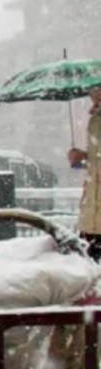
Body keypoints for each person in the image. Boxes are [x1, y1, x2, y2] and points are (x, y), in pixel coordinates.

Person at [68, 85, 101, 261]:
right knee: (86, 264)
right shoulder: (95, 118)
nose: (95, 93)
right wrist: (81, 159)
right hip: (92, 210)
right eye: (93, 89)